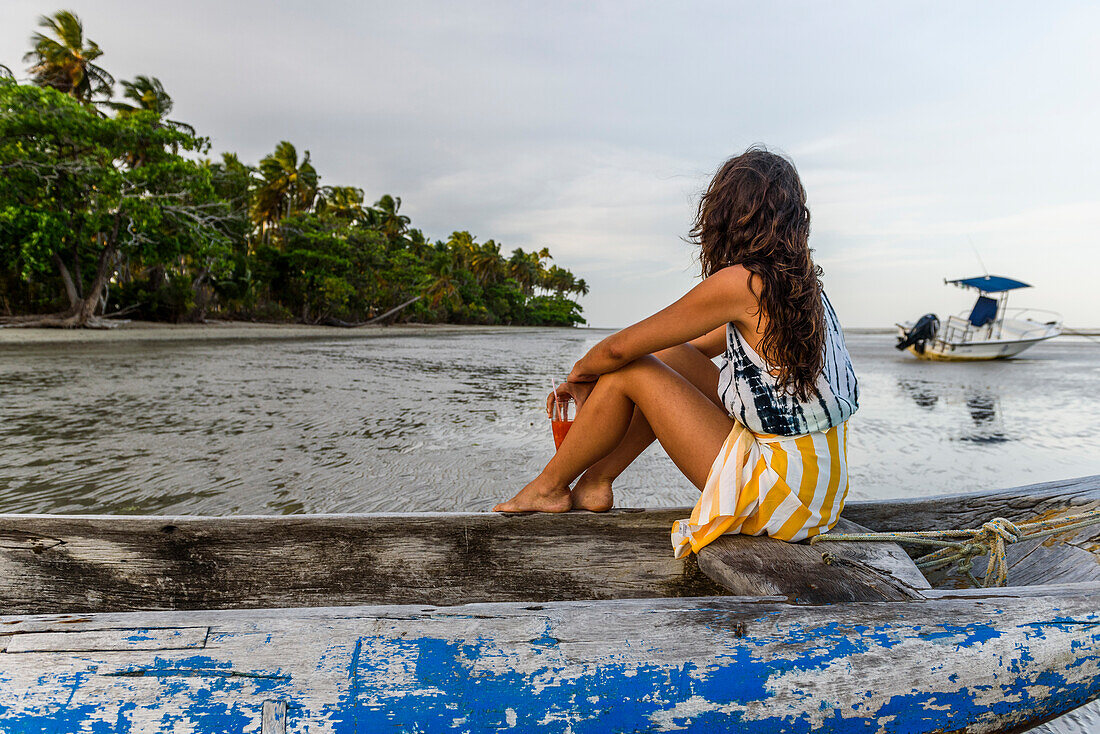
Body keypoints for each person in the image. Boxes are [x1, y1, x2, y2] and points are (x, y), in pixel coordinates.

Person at [493, 146, 858, 558]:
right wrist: (624, 369)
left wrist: (579, 376)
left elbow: (618, 350)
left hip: (781, 500)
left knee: (632, 370)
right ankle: (595, 483)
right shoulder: (802, 289)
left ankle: (548, 487)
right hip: (817, 491)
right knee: (661, 359)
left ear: (726, 216)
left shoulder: (744, 283)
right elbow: (677, 349)